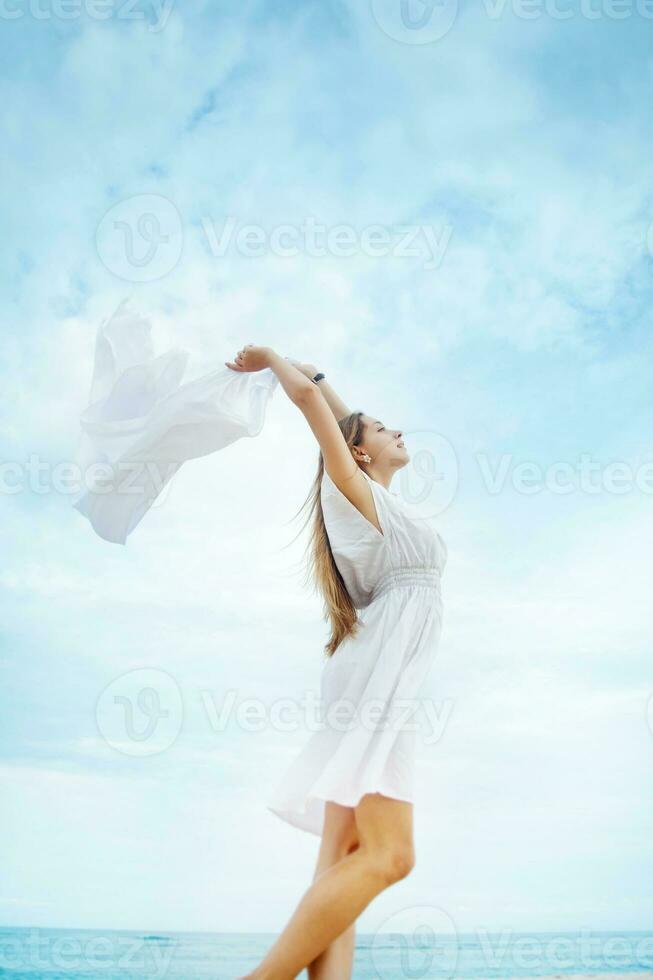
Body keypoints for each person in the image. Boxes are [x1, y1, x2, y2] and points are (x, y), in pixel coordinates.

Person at [226, 344, 448, 980]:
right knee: (390, 854)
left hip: (374, 670)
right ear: (357, 453)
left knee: (342, 855)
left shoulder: (380, 499)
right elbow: (317, 413)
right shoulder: (352, 487)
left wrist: (323, 377)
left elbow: (348, 420)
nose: (395, 430)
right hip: (378, 676)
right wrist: (272, 357)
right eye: (382, 430)